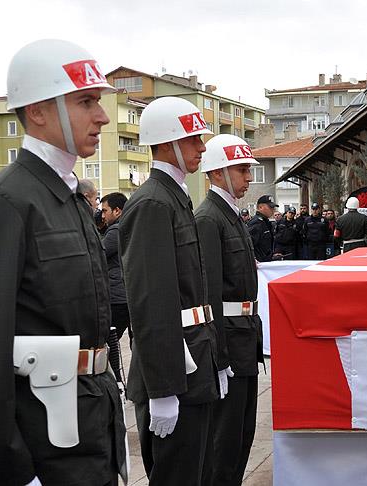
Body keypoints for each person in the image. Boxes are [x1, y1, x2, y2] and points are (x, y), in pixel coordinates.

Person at [0, 39, 127, 485]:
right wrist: (8, 471)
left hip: (87, 428)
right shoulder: (3, 203)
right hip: (42, 450)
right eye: (86, 102)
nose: (102, 116)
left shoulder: (66, 197)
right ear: (38, 111)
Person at [121, 96, 222, 486]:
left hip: (193, 363)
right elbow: (150, 301)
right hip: (173, 373)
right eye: (194, 138)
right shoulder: (151, 203)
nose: (201, 147)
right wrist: (163, 390)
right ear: (167, 144)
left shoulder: (174, 197)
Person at [194, 134, 264, 485]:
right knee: (224, 443)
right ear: (219, 172)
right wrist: (218, 357)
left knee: (242, 436)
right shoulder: (209, 218)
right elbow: (209, 296)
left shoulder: (231, 215)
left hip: (244, 340)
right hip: (229, 345)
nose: (248, 177)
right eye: (242, 170)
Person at [100, 192, 131, 389]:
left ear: (117, 211)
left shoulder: (114, 232)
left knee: (109, 341)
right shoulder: (129, 227)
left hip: (116, 297)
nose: (102, 216)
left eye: (105, 211)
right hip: (127, 294)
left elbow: (98, 255)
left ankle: (117, 382)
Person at [247, 195, 277, 262]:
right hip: (259, 264)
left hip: (266, 262)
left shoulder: (266, 222)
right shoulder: (256, 223)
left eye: (273, 207)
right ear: (260, 207)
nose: (273, 210)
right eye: (270, 207)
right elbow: (248, 245)